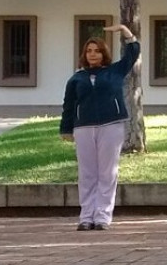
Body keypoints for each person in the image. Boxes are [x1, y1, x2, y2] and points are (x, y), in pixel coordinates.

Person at [60, 24, 140, 231]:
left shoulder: (115, 71)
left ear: (103, 53)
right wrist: (66, 129)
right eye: (89, 51)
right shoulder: (76, 79)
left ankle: (102, 216)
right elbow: (68, 106)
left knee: (107, 172)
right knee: (87, 173)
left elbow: (133, 52)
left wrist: (125, 31)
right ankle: (86, 217)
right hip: (84, 127)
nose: (93, 54)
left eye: (97, 51)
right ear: (84, 55)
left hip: (111, 125)